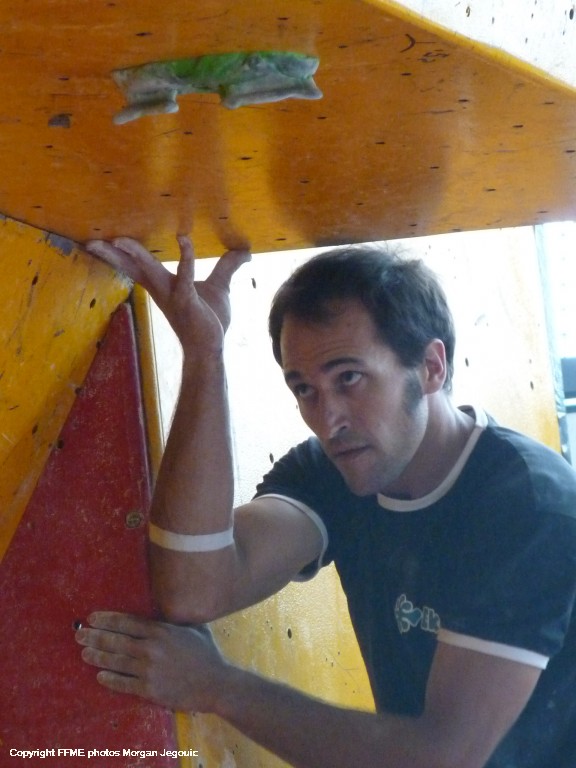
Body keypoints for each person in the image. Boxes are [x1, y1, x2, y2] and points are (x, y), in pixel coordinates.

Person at [76, 234, 576, 768]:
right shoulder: (337, 469)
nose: (328, 419)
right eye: (304, 389)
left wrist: (218, 687)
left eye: (349, 378)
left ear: (432, 367)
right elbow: (195, 589)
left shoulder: (529, 507)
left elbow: (441, 758)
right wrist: (204, 354)